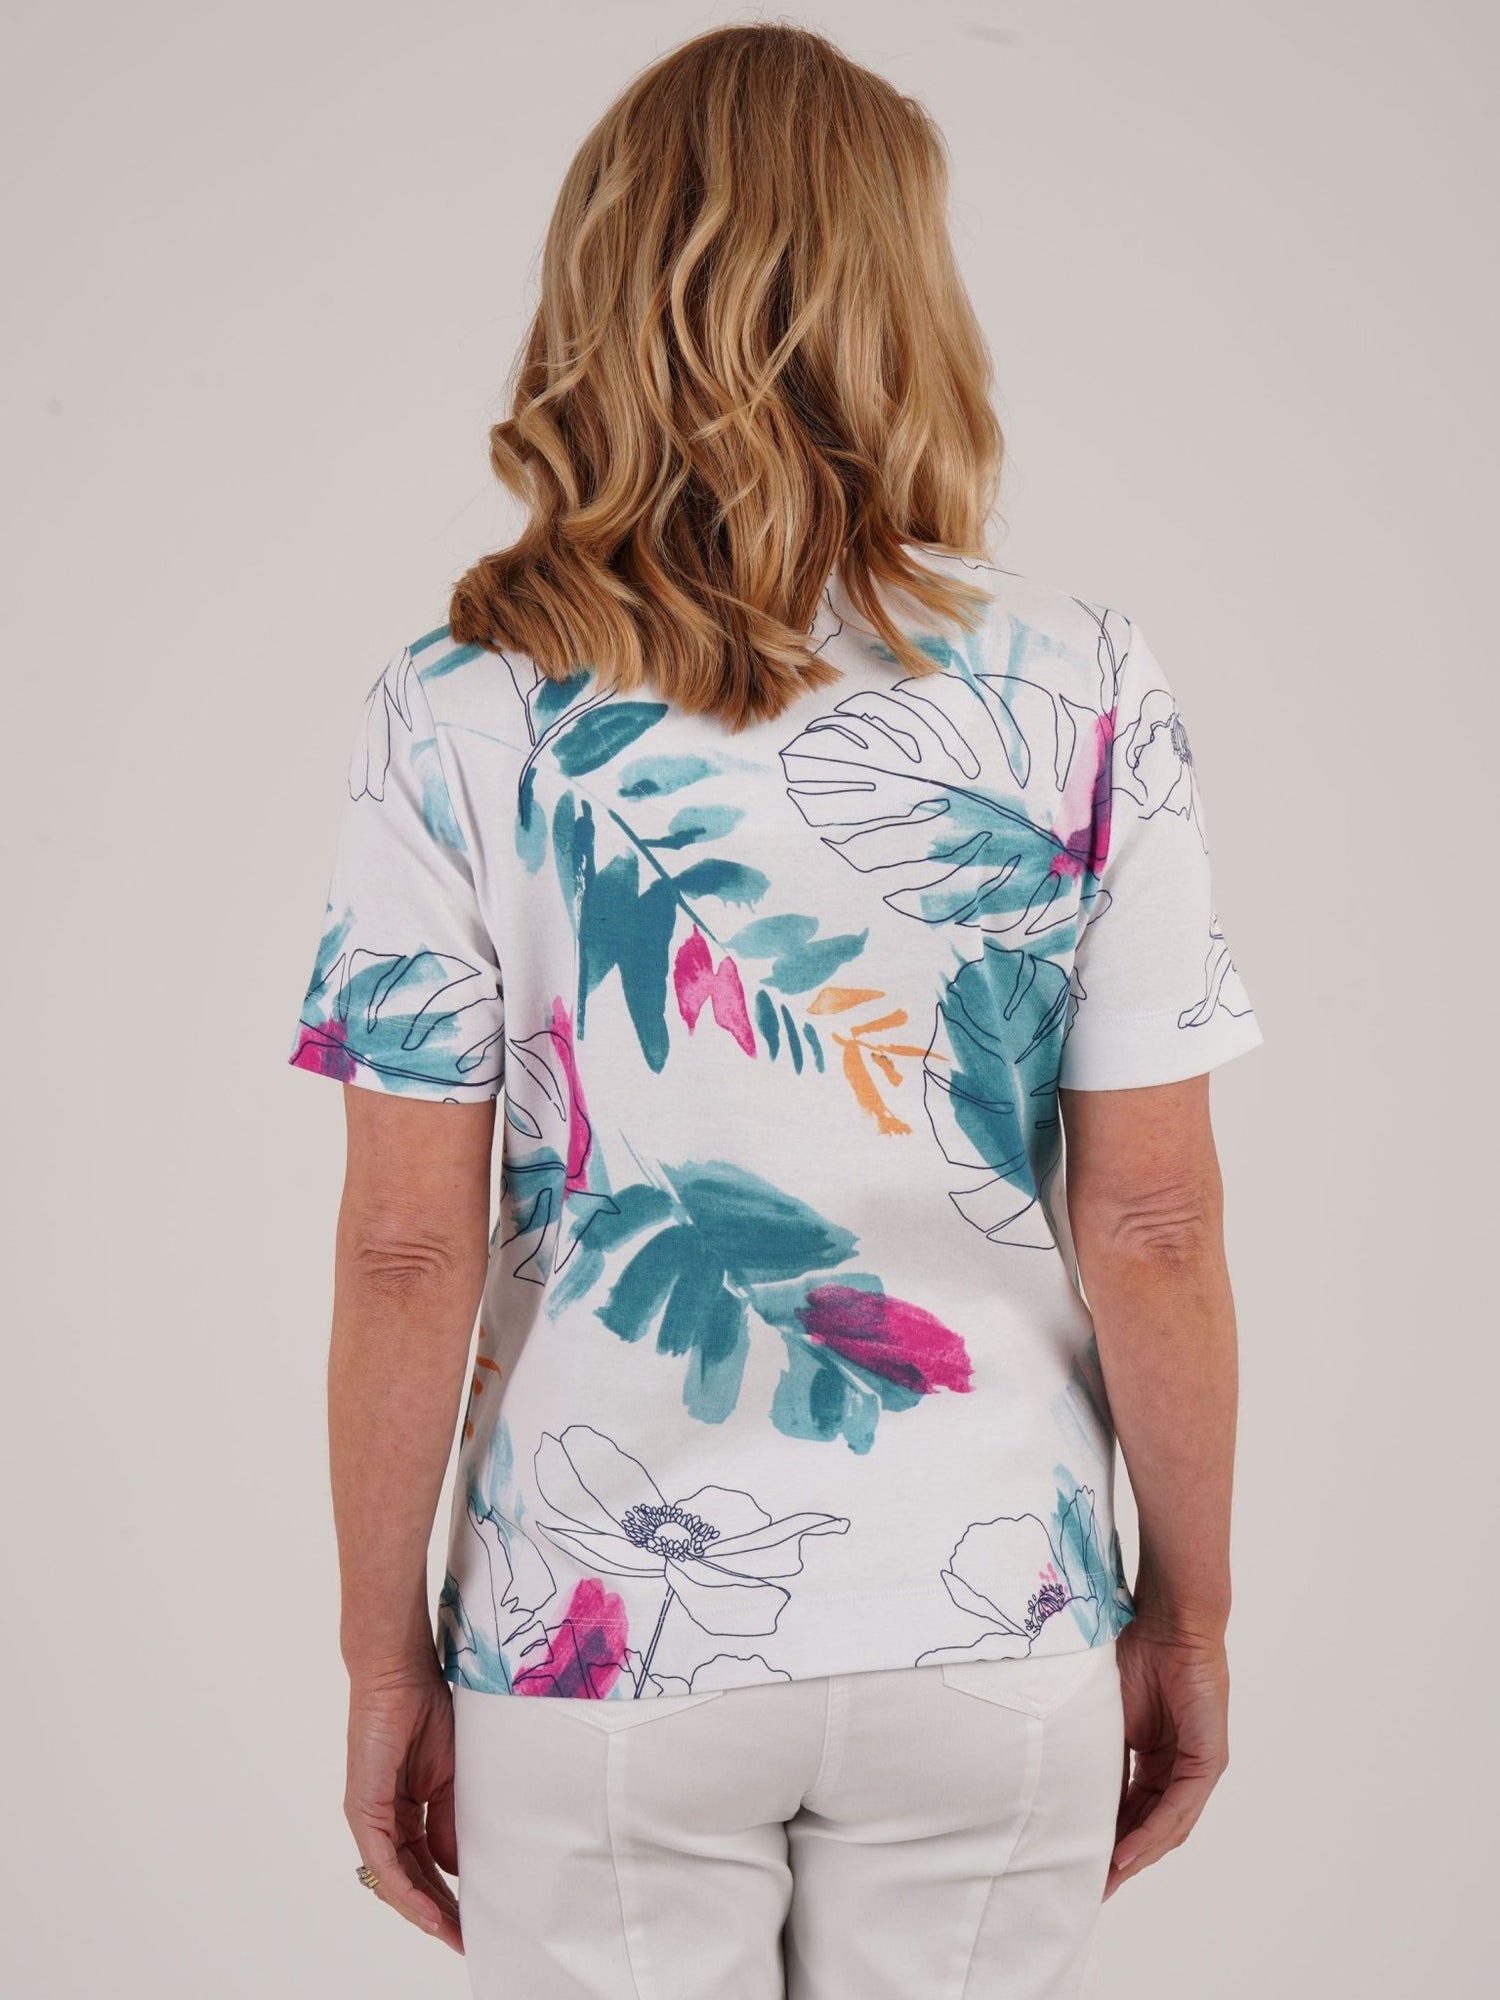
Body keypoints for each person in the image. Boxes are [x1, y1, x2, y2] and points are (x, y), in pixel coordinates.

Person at [286, 22, 1262, 1999]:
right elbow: (1153, 1221)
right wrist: (1189, 1614)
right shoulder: (1080, 685)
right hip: (990, 1616)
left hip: (594, 1639)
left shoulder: (461, 706)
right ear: (910, 303)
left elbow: (406, 1241)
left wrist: (387, 1657)